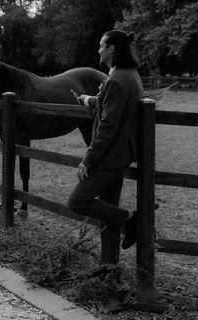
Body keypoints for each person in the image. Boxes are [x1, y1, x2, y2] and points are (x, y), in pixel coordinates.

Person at [68, 30, 144, 263]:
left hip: (111, 157)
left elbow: (107, 127)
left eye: (101, 45)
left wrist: (87, 159)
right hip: (121, 154)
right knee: (107, 208)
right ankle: (109, 267)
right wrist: (87, 100)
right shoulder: (129, 75)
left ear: (112, 49)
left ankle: (131, 219)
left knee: (77, 202)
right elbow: (109, 104)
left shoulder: (117, 81)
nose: (98, 50)